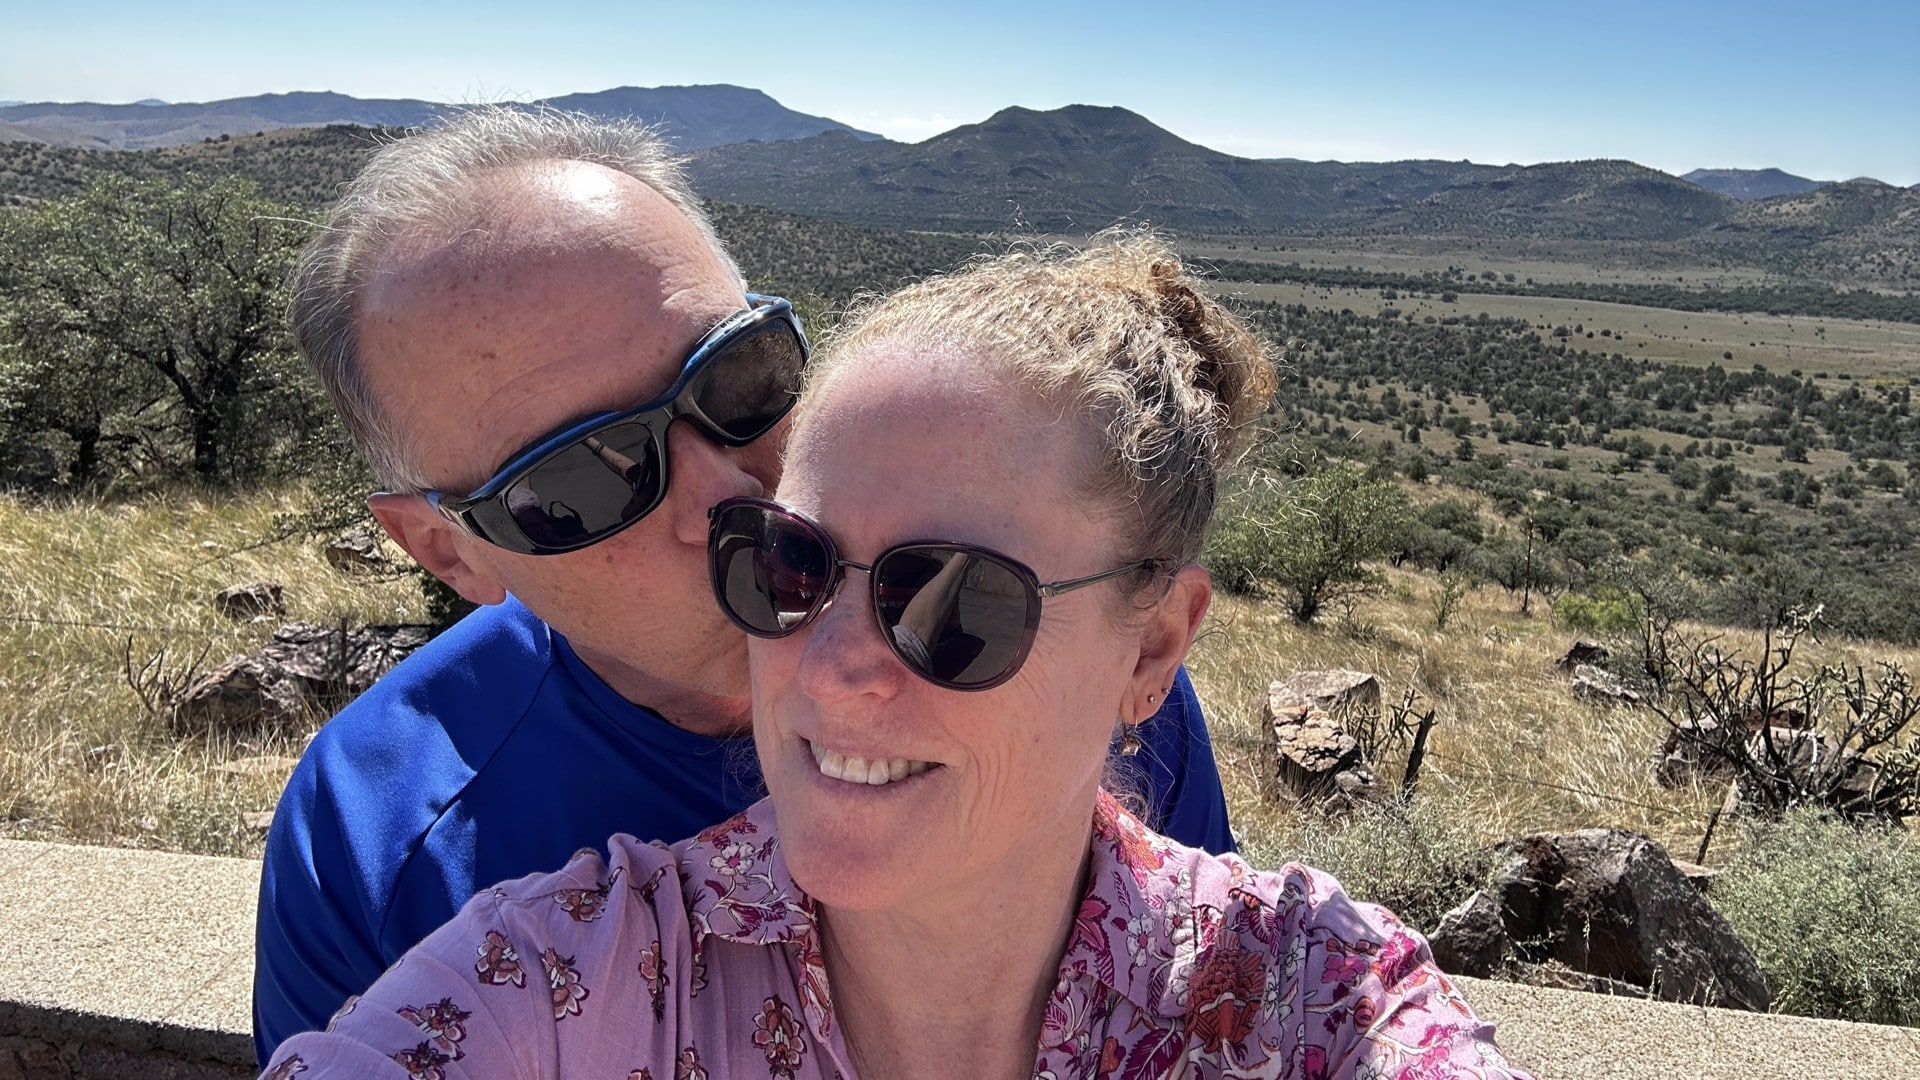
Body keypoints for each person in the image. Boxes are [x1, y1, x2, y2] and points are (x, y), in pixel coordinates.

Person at [260, 236, 1533, 1079]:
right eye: (790, 568)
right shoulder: (570, 971)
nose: (834, 668)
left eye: (958, 605)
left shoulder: (1312, 1000)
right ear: (445, 547)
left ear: (1152, 647)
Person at [254, 108, 1236, 1062]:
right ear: (449, 552)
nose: (728, 488)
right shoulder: (382, 841)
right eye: (579, 480)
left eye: (735, 378)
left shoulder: (1046, 651)